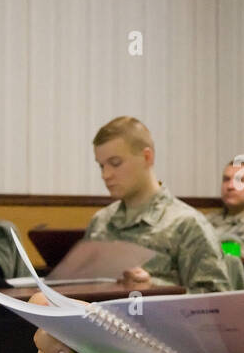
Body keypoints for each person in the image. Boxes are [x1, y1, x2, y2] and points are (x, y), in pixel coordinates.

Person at [81, 116, 232, 293]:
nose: (105, 175)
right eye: (101, 166)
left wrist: (153, 289)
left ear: (147, 157)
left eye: (115, 163)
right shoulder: (101, 222)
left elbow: (215, 302)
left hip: (162, 320)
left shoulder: (186, 224)